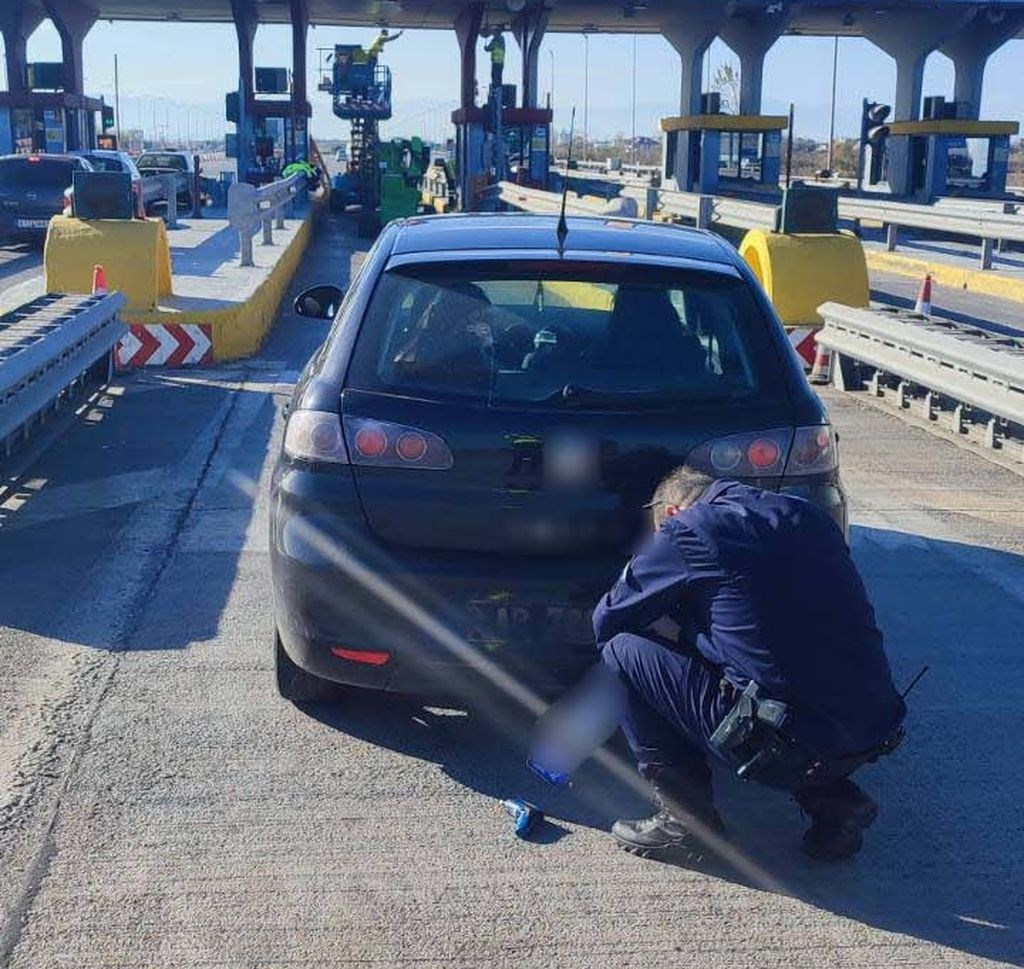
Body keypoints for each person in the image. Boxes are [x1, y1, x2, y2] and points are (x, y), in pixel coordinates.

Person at [595, 466, 907, 862]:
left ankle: (687, 823)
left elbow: (607, 619)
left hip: (784, 748)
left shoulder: (689, 528)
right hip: (870, 731)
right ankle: (836, 803)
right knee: (779, 667)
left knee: (623, 649)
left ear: (671, 512)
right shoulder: (808, 515)